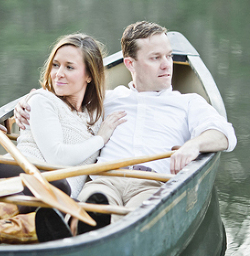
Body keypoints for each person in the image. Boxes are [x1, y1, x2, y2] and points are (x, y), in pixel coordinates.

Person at [15, 21, 236, 242]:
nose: (167, 65)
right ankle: (77, 231)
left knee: (135, 220)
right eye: (155, 58)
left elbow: (224, 134)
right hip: (104, 181)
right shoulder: (107, 99)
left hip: (151, 184)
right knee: (92, 203)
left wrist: (193, 145)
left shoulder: (188, 103)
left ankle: (84, 237)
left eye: (168, 56)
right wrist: (26, 103)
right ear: (130, 63)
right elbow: (61, 101)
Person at [0, 33, 127, 245]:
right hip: (17, 174)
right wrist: (101, 139)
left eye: (69, 67)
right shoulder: (43, 100)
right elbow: (58, 157)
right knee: (58, 187)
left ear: (89, 75)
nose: (58, 74)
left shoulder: (95, 115)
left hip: (56, 196)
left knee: (75, 212)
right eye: (56, 65)